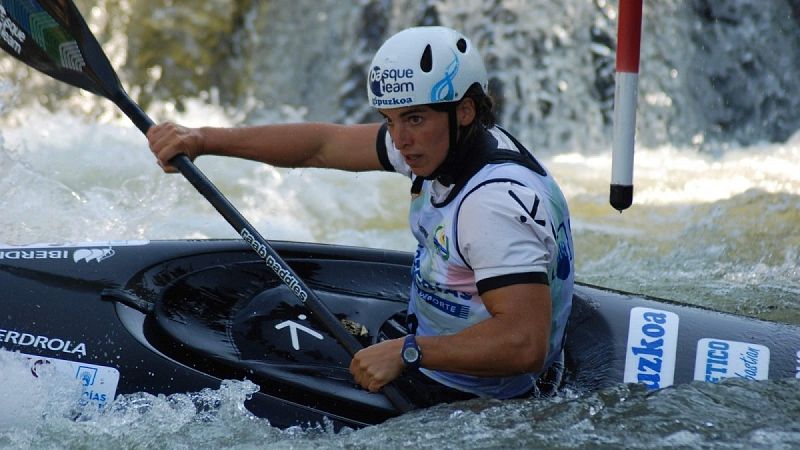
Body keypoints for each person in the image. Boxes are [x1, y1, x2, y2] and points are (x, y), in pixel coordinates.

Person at [147, 26, 574, 406]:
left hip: (467, 392)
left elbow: (523, 344)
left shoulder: (492, 204)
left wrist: (409, 351)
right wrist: (202, 139)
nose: (400, 140)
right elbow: (321, 145)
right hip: (434, 342)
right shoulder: (450, 143)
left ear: (463, 110)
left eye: (414, 119)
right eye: (389, 120)